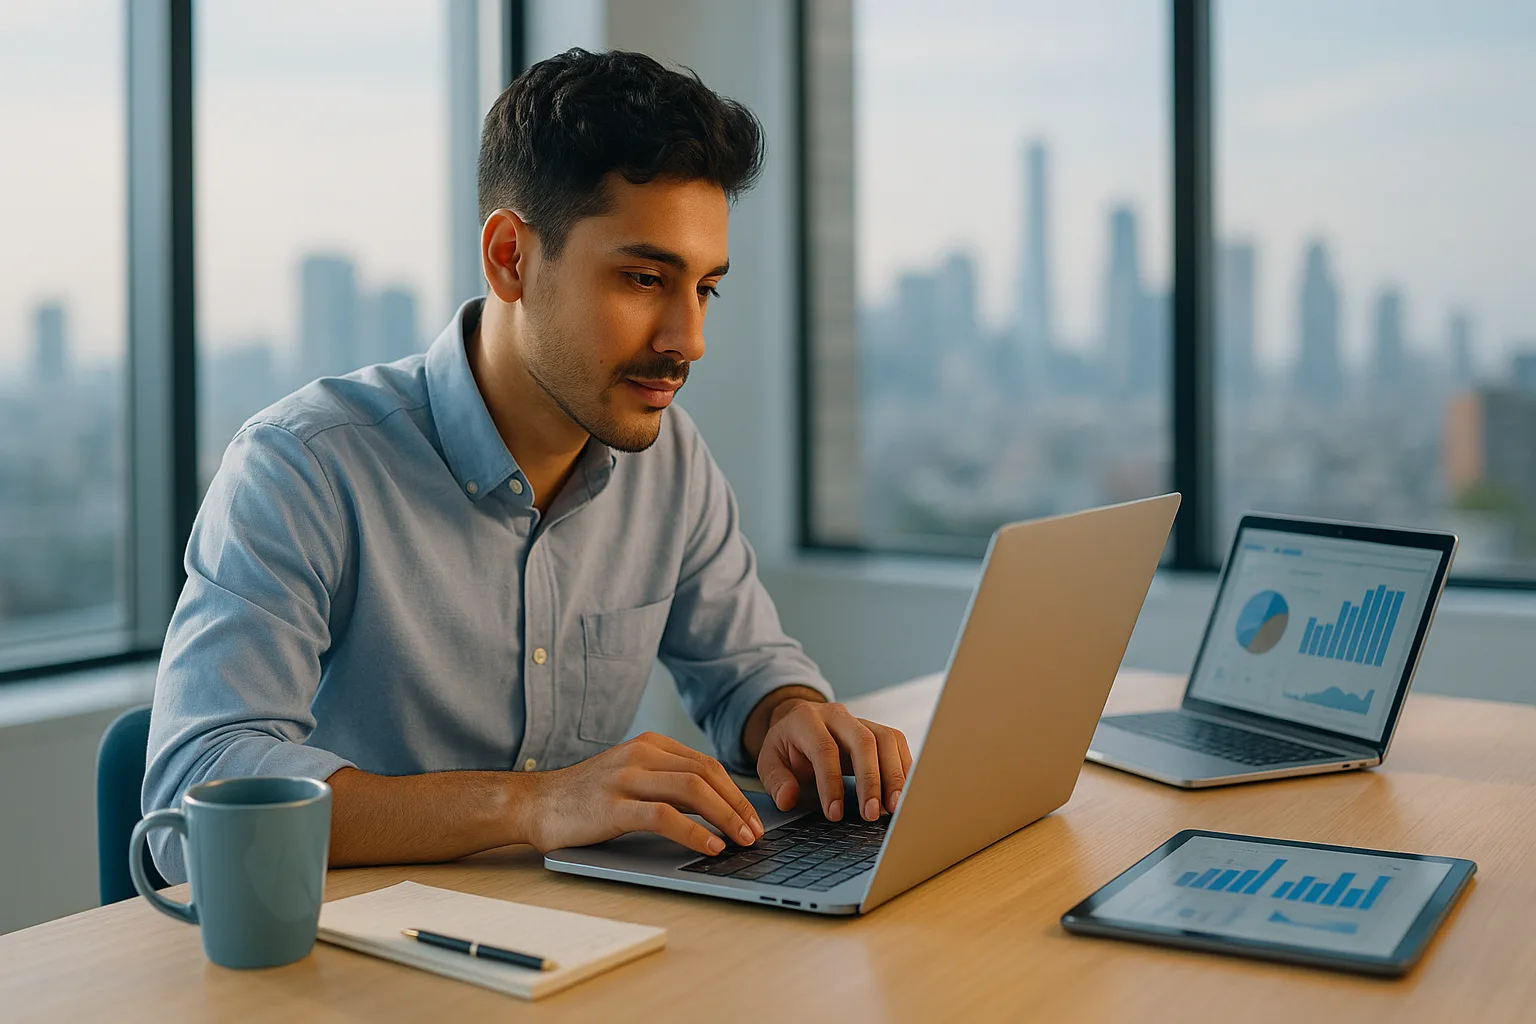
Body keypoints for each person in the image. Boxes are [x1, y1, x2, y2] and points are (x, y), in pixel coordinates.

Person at [143, 48, 911, 882]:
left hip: (570, 948)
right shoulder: (305, 466)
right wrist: (533, 803)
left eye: (705, 289)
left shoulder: (668, 459)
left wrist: (791, 715)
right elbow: (196, 786)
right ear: (510, 256)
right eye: (643, 277)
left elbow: (747, 670)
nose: (687, 340)